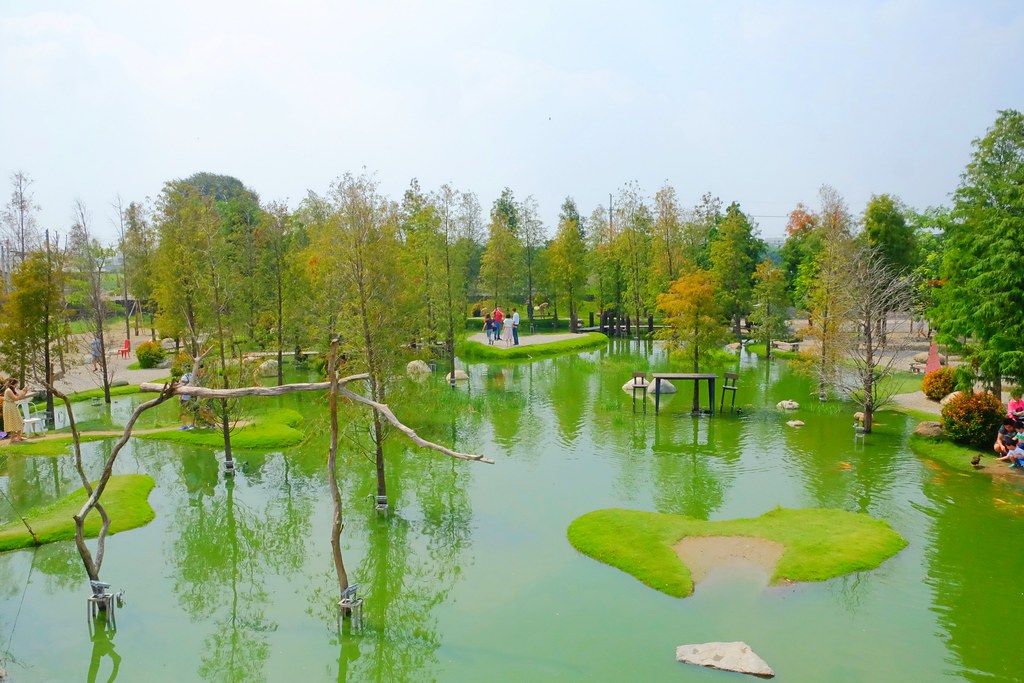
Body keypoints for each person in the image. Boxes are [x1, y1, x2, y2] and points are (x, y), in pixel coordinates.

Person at [3, 378, 32, 443]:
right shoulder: (8, 391)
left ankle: (19, 437)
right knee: (12, 422)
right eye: (16, 384)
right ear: (14, 384)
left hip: (12, 406)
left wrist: (24, 391)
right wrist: (23, 392)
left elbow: (20, 397)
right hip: (9, 407)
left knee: (20, 421)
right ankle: (12, 439)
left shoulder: (12, 390)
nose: (17, 385)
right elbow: (16, 398)